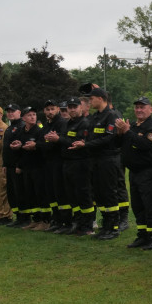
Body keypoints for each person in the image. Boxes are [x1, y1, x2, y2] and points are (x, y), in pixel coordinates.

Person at [116, 97, 152, 250]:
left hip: (148, 172)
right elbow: (122, 145)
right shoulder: (134, 126)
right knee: (138, 205)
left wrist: (127, 132)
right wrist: (120, 133)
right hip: (135, 172)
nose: (139, 110)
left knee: (151, 204)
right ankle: (142, 235)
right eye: (136, 107)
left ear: (151, 109)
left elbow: (144, 145)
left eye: (142, 107)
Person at [84, 88, 125, 240]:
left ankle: (114, 227)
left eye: (92, 98)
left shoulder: (112, 115)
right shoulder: (95, 117)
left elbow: (109, 138)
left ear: (101, 98)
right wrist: (85, 143)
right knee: (99, 194)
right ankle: (106, 225)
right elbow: (89, 136)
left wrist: (87, 145)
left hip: (108, 159)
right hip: (96, 160)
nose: (90, 101)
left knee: (109, 193)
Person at [58, 96, 95, 236]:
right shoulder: (66, 124)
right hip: (67, 163)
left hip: (81, 163)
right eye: (70, 107)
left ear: (81, 107)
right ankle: (78, 223)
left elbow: (77, 143)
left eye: (75, 106)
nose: (72, 109)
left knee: (84, 195)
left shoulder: (85, 123)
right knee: (72, 195)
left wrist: (59, 139)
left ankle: (88, 226)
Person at [40, 99, 72, 233]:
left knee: (61, 193)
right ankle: (56, 219)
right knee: (51, 192)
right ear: (44, 111)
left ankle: (66, 221)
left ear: (58, 109)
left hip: (59, 161)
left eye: (52, 109)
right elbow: (43, 142)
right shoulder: (46, 125)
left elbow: (59, 142)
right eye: (47, 109)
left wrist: (46, 143)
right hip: (48, 163)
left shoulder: (62, 123)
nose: (50, 112)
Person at [2, 104, 29, 228]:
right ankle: (18, 216)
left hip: (17, 166)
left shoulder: (22, 127)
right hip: (9, 165)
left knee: (20, 192)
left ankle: (24, 217)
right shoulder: (9, 128)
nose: (10, 113)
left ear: (19, 112)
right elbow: (6, 148)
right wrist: (4, 164)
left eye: (13, 111)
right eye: (8, 111)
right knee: (11, 192)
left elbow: (23, 149)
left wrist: (20, 164)